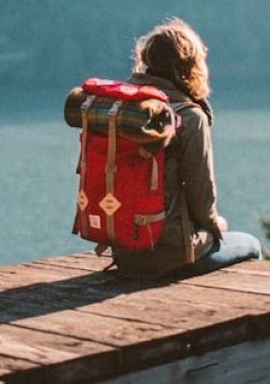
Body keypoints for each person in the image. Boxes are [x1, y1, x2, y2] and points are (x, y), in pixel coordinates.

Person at [112, 17, 261, 280]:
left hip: (124, 249)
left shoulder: (127, 109)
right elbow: (202, 202)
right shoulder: (189, 117)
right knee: (250, 244)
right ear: (189, 67)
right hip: (171, 253)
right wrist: (218, 224)